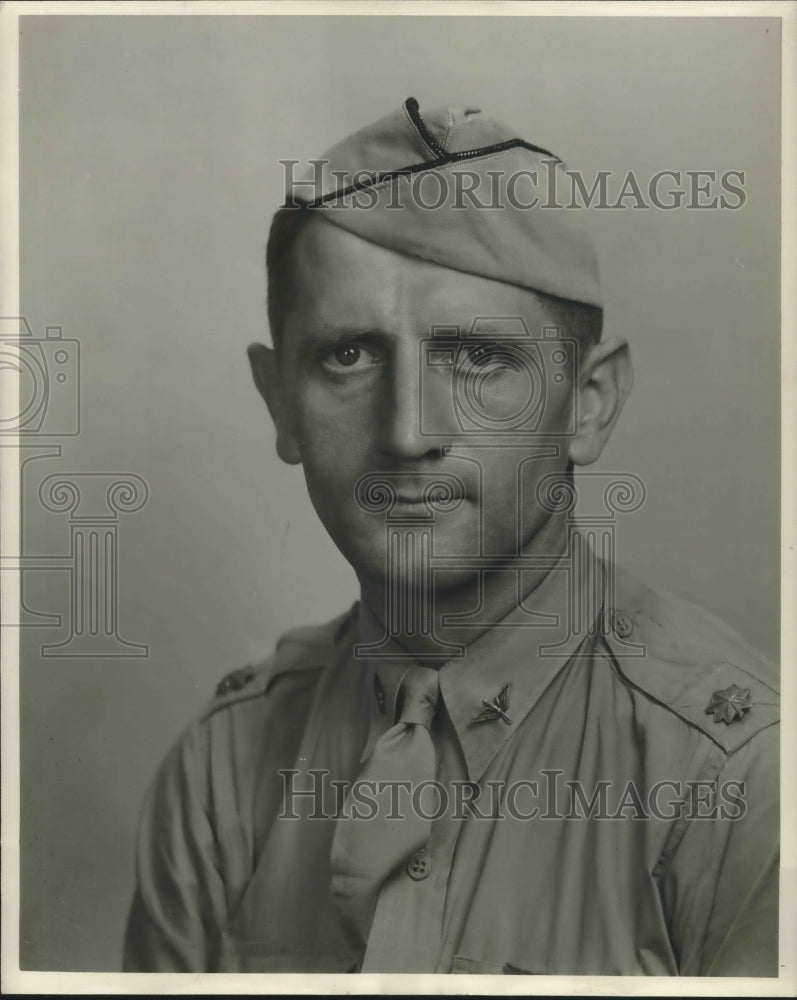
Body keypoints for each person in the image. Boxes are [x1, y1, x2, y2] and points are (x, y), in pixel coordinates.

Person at [122, 97, 779, 976]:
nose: (406, 432)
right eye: (347, 357)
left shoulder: (741, 778)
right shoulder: (222, 772)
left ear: (587, 404)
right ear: (279, 401)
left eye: (476, 357)